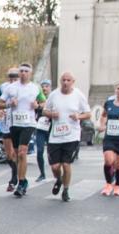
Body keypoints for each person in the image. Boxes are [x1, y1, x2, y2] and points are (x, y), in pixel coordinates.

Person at [42, 71, 91, 202]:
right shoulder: (53, 95)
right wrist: (52, 114)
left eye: (68, 80)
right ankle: (58, 179)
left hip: (72, 135)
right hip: (55, 136)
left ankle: (66, 190)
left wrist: (78, 116)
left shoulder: (78, 95)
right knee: (55, 167)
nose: (65, 82)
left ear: (73, 82)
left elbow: (88, 113)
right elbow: (44, 110)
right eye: (63, 80)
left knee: (66, 164)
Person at [0, 62, 46, 197]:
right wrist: (9, 104)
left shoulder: (35, 88)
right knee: (16, 153)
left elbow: (44, 102)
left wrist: (37, 105)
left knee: (22, 152)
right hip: (14, 124)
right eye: (21, 71)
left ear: (30, 73)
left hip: (29, 123)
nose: (23, 73)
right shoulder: (11, 88)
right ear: (19, 73)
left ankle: (21, 183)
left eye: (26, 71)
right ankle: (23, 180)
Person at [0, 68, 19, 191]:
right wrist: (0, 110)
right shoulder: (3, 87)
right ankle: (16, 175)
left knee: (18, 153)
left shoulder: (24, 88)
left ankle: (15, 179)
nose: (13, 80)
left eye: (15, 77)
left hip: (20, 124)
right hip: (6, 123)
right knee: (9, 155)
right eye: (11, 77)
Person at [33, 79, 52, 182]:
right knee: (39, 151)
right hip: (40, 128)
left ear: (50, 87)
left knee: (52, 152)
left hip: (51, 128)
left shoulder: (54, 97)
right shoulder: (37, 98)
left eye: (47, 86)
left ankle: (56, 171)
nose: (44, 88)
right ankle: (42, 174)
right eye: (43, 86)